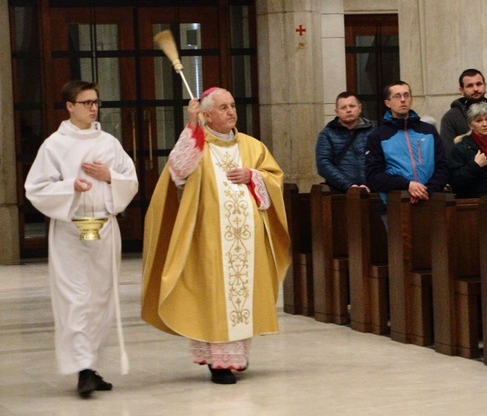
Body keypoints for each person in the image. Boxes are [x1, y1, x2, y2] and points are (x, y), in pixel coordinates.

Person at [142, 87, 291, 385]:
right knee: (214, 298)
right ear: (207, 114)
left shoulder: (252, 146)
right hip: (209, 239)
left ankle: (236, 356)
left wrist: (253, 176)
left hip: (248, 241)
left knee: (243, 297)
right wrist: (191, 126)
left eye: (233, 106)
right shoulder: (198, 145)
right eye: (223, 107)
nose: (231, 112)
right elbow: (178, 171)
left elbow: (275, 179)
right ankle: (218, 363)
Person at [24, 80, 138, 398]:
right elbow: (36, 187)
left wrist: (109, 176)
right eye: (86, 102)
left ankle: (90, 364)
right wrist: (70, 186)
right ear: (70, 107)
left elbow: (130, 179)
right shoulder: (54, 145)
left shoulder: (109, 143)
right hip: (71, 231)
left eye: (96, 102)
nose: (93, 108)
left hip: (103, 228)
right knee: (75, 298)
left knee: (100, 298)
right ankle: (82, 369)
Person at [365, 81, 448, 213]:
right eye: (397, 96)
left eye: (406, 95)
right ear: (388, 103)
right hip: (395, 205)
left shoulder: (428, 131)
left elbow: (442, 166)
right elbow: (374, 176)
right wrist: (407, 186)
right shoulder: (378, 136)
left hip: (430, 201)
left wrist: (426, 191)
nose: (403, 100)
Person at [440, 69, 487, 155]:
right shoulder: (450, 118)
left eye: (479, 84)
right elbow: (449, 153)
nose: (475, 89)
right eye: (470, 86)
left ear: (485, 85)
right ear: (461, 90)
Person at [315, 91, 373, 192]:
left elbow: (379, 160)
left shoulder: (372, 132)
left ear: (359, 108)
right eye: (343, 107)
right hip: (339, 191)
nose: (348, 110)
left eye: (352, 106)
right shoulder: (327, 134)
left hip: (370, 190)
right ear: (336, 111)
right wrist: (348, 186)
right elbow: (323, 164)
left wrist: (371, 184)